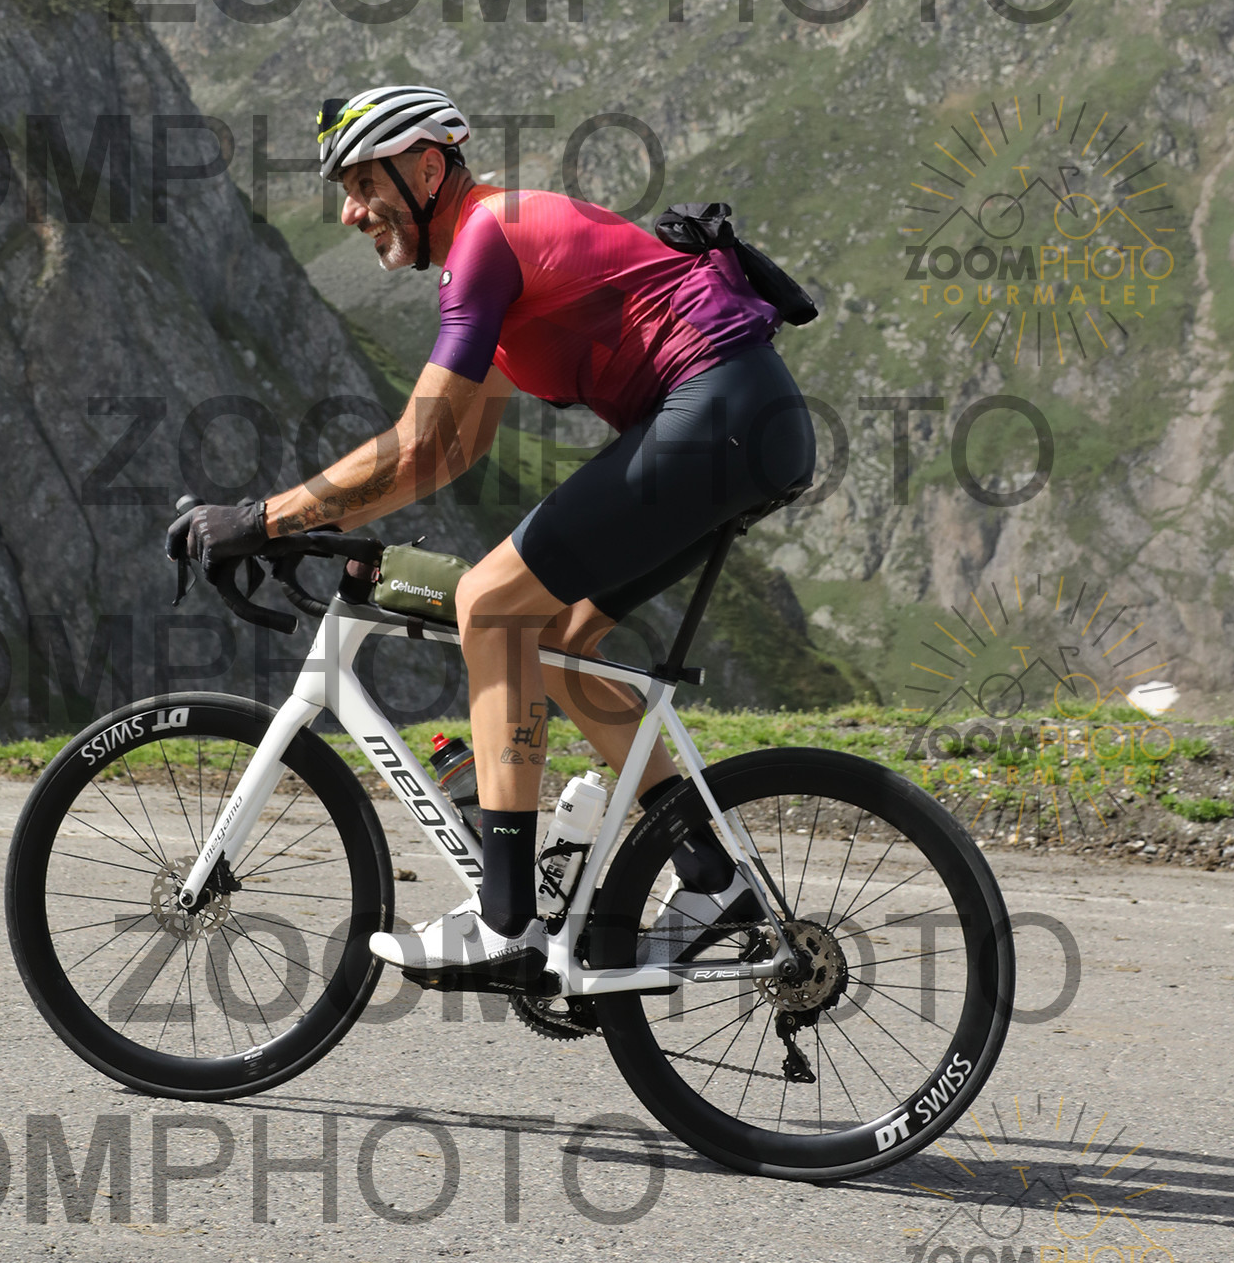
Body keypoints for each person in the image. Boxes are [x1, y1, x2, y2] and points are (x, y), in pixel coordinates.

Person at [168, 85, 816, 986]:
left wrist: (260, 517)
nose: (351, 212)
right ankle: (712, 880)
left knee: (491, 604)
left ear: (428, 167)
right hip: (742, 425)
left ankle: (507, 919)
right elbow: (447, 454)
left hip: (721, 416)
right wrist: (302, 528)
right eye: (346, 193)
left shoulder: (487, 238)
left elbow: (416, 441)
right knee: (558, 643)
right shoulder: (495, 262)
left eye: (364, 184)